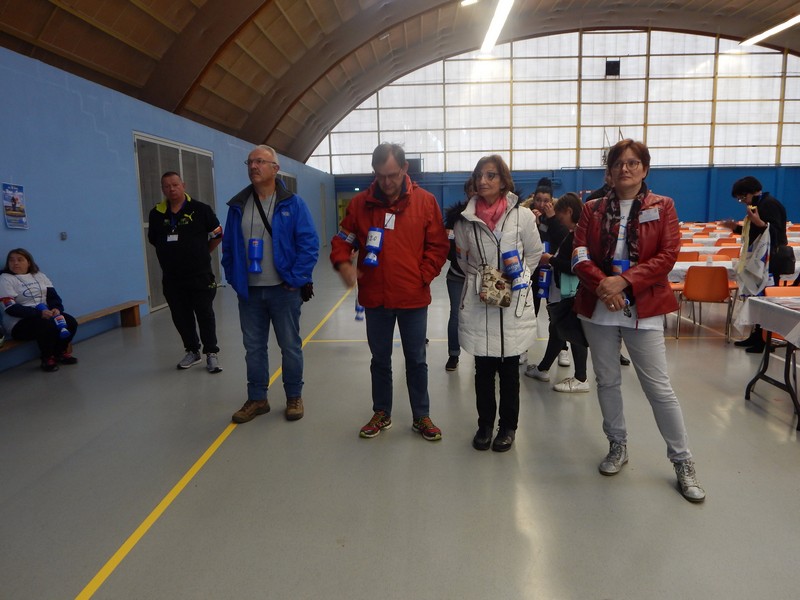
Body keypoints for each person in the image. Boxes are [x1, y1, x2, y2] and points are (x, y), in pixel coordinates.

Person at [572, 138, 705, 503]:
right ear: (609, 172)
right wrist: (605, 286)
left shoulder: (663, 206)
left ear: (645, 169)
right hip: (599, 305)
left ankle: (683, 461)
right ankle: (617, 445)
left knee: (659, 388)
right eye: (618, 163)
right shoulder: (592, 208)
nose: (625, 168)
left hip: (644, 305)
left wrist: (625, 281)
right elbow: (579, 254)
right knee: (607, 381)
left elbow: (667, 255)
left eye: (633, 162)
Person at [331, 143, 449, 441]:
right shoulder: (360, 204)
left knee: (416, 360)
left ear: (405, 168)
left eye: (393, 175)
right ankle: (381, 412)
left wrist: (422, 276)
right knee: (380, 359)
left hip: (413, 298)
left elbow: (438, 246)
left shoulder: (425, 202)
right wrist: (343, 263)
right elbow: (343, 239)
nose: (387, 182)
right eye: (380, 175)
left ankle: (421, 415)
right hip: (376, 298)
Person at [222, 145, 319, 424]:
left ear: (275, 169)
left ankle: (294, 397)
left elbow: (309, 244)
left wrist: (296, 279)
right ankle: (257, 399)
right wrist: (234, 278)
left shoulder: (293, 204)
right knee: (253, 348)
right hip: (249, 292)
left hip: (283, 290)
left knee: (290, 346)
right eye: (250, 162)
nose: (254, 166)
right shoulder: (238, 205)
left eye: (260, 161)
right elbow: (228, 246)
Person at [454, 155, 542, 452]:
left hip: (513, 303)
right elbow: (463, 259)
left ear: (504, 181)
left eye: (491, 175)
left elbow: (534, 253)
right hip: (480, 303)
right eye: (479, 175)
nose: (483, 181)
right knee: (482, 370)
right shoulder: (465, 221)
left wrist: (517, 279)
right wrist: (482, 281)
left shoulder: (523, 217)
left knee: (509, 372)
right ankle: (484, 425)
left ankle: (508, 427)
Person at [148, 171, 224, 373]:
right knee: (181, 316)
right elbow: (155, 240)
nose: (171, 189)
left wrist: (202, 252)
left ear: (183, 185)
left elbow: (218, 234)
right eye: (167, 186)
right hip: (172, 278)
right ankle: (192, 350)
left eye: (175, 184)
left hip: (200, 275)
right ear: (162, 189)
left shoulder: (201, 209)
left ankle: (211, 353)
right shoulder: (156, 214)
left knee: (205, 314)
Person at [525, 192, 590, 392]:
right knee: (557, 330)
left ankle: (581, 378)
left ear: (568, 211)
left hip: (570, 292)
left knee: (574, 333)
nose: (559, 220)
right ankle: (543, 368)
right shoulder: (574, 232)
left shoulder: (579, 235)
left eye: (560, 215)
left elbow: (576, 267)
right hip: (563, 292)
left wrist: (551, 259)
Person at [722, 176, 788, 353]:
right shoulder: (758, 205)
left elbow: (775, 232)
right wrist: (735, 228)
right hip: (760, 260)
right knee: (757, 299)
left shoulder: (769, 204)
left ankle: (765, 340)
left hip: (770, 261)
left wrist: (758, 222)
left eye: (742, 197)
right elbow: (755, 231)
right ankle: (757, 335)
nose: (742, 201)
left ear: (751, 192)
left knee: (766, 301)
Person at [0, 248, 78, 371]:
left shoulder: (39, 275)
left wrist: (56, 308)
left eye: (20, 260)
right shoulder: (5, 278)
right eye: (11, 260)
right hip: (19, 322)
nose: (15, 263)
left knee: (71, 322)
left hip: (46, 314)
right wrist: (39, 313)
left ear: (28, 262)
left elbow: (53, 297)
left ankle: (59, 353)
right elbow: (11, 308)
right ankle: (47, 359)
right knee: (47, 326)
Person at [443, 180, 471, 372]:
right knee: (456, 314)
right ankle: (453, 354)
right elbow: (447, 247)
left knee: (483, 316)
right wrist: (461, 259)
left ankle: (483, 355)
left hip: (483, 278)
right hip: (457, 276)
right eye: (471, 190)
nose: (475, 193)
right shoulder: (455, 218)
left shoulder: (492, 216)